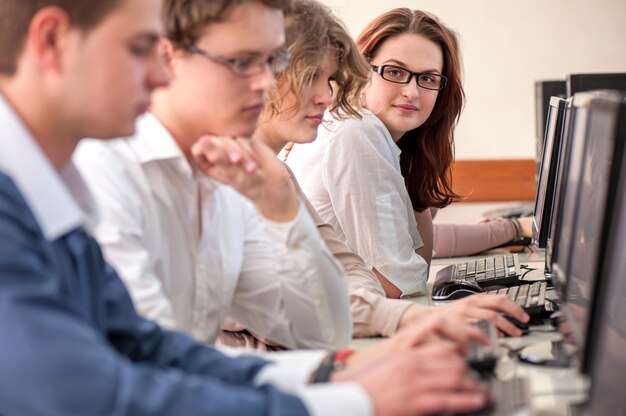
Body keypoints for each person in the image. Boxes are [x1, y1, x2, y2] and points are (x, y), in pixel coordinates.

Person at [0, 0, 491, 414]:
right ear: (50, 41)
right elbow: (100, 390)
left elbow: (155, 349)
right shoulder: (85, 176)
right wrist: (349, 397)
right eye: (140, 48)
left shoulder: (70, 183)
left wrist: (337, 368)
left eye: (273, 63)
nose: (157, 72)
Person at [206, 0, 527, 339]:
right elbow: (392, 281)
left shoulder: (276, 171)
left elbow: (348, 268)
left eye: (328, 79)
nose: (326, 96)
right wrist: (404, 317)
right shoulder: (354, 131)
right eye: (394, 72)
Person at [74, 0, 352, 350]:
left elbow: (324, 334)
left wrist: (284, 212)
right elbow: (151, 361)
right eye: (241, 62)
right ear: (167, 57)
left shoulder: (228, 178)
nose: (267, 82)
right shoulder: (104, 170)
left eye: (272, 61)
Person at [285, 8, 531, 299]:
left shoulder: (380, 138)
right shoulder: (357, 131)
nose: (411, 92)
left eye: (428, 78)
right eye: (394, 72)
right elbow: (401, 282)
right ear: (361, 70)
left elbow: (412, 268)